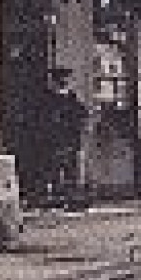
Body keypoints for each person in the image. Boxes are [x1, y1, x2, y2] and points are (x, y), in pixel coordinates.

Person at [43, 68, 87, 210]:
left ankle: (72, 199)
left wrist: (78, 130)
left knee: (70, 170)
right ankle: (58, 198)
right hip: (55, 140)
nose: (64, 82)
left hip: (70, 139)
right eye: (61, 79)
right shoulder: (50, 100)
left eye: (66, 79)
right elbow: (45, 120)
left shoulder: (72, 99)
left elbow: (81, 116)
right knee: (55, 169)